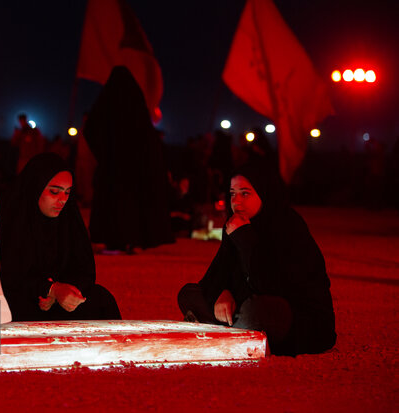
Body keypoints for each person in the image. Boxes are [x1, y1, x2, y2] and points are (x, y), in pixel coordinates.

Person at [177, 162, 336, 356]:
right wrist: (221, 292)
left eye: (245, 193)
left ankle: (227, 328)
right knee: (189, 293)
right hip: (243, 304)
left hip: (294, 316)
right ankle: (238, 331)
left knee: (259, 311)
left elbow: (269, 284)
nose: (237, 201)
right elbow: (215, 274)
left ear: (265, 192)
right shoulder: (234, 225)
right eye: (232, 193)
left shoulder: (288, 227)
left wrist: (245, 238)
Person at [0, 152, 121, 321]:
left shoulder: (68, 221)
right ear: (36, 188)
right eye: (54, 192)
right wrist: (49, 289)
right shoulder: (13, 220)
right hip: (17, 301)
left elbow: (84, 270)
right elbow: (7, 274)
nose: (62, 200)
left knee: (100, 298)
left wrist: (67, 292)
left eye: (67, 192)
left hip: (59, 305)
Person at [83, 66, 173, 253]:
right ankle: (134, 240)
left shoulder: (106, 103)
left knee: (113, 201)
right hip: (134, 169)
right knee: (133, 203)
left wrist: (104, 153)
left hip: (112, 168)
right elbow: (150, 141)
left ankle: (111, 239)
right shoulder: (136, 105)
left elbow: (90, 129)